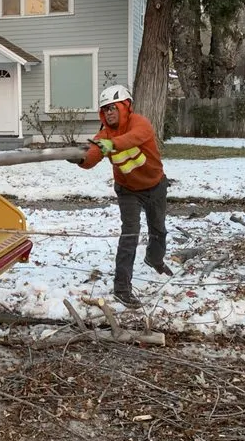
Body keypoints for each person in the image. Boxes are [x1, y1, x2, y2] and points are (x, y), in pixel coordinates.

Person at [73, 84, 171, 308]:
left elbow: (133, 138)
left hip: (155, 185)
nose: (109, 113)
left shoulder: (140, 123)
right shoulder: (104, 135)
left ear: (125, 106)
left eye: (113, 108)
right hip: (128, 191)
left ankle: (154, 259)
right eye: (105, 109)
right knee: (129, 236)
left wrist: (112, 144)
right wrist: (80, 159)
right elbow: (93, 156)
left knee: (158, 230)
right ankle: (122, 288)